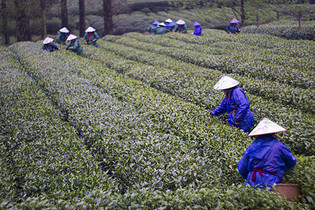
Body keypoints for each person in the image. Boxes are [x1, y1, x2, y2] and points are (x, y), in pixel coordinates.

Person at [238, 117, 296, 190]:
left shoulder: (251, 147)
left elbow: (241, 167)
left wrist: (251, 175)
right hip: (271, 181)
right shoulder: (278, 146)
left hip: (252, 179)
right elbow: (291, 162)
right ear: (273, 134)